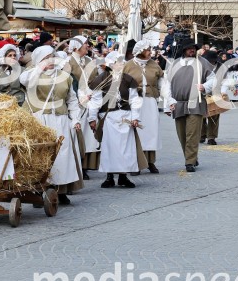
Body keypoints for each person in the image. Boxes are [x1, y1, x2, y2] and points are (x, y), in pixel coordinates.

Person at [20, 45, 83, 205]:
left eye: (52, 57)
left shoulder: (65, 76)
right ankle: (38, 191)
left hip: (61, 120)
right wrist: (39, 67)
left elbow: (72, 100)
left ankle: (60, 191)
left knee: (61, 156)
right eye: (46, 58)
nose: (50, 61)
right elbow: (25, 81)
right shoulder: (31, 74)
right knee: (40, 156)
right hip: (39, 120)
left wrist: (75, 119)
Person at [88, 51, 141, 188]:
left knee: (125, 148)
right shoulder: (101, 79)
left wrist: (135, 117)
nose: (122, 64)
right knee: (109, 148)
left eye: (122, 61)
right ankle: (109, 177)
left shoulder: (128, 79)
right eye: (119, 62)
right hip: (108, 117)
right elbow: (95, 101)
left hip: (125, 117)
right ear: (111, 64)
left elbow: (134, 99)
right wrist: (92, 118)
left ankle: (123, 176)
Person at [162, 38, 214, 173]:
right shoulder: (174, 64)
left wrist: (204, 86)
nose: (192, 50)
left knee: (192, 133)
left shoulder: (202, 62)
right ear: (183, 49)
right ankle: (191, 156)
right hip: (177, 103)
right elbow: (166, 85)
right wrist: (167, 104)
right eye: (189, 47)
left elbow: (213, 79)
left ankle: (189, 161)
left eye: (194, 47)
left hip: (195, 102)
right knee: (182, 135)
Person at [123, 39, 164, 174]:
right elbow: (122, 85)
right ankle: (136, 163)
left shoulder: (154, 65)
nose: (150, 52)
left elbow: (162, 84)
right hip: (135, 102)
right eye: (147, 50)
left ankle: (150, 161)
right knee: (136, 132)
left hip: (150, 101)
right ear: (140, 51)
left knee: (151, 132)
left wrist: (168, 100)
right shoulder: (128, 66)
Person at [64, 36, 100, 177]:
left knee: (88, 134)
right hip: (77, 101)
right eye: (85, 44)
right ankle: (77, 165)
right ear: (76, 46)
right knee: (77, 134)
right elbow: (67, 83)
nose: (87, 46)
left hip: (91, 100)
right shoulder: (68, 62)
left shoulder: (90, 61)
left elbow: (95, 80)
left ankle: (86, 165)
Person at [200, 50, 221, 146]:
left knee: (214, 116)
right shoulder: (201, 66)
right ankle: (202, 135)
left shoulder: (221, 67)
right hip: (202, 93)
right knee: (201, 116)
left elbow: (225, 81)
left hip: (216, 94)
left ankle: (211, 137)